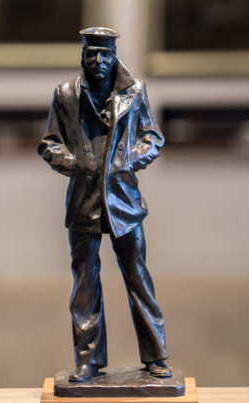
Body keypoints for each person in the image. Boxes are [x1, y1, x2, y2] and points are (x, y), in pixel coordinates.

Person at [38, 27, 170, 382]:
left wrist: (128, 160)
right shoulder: (65, 95)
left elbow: (153, 138)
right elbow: (49, 143)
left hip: (124, 203)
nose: (98, 61)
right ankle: (89, 360)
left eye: (105, 55)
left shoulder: (135, 92)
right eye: (92, 54)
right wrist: (74, 163)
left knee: (138, 278)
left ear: (115, 56)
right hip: (83, 202)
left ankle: (156, 356)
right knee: (85, 284)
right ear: (82, 56)